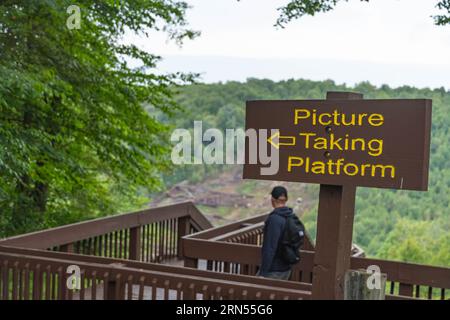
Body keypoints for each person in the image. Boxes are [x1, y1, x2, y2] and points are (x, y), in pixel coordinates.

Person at [258, 186, 296, 280]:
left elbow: (270, 247)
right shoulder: (291, 217)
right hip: (286, 269)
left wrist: (263, 273)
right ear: (286, 199)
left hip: (274, 270)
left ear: (272, 199)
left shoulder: (274, 219)